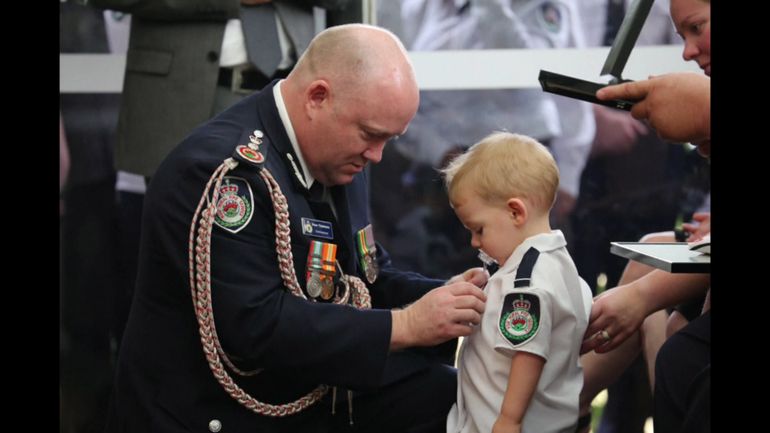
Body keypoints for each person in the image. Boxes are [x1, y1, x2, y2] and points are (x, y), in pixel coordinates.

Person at [104, 24, 489, 433]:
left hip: (306, 386)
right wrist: (409, 325)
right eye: (372, 135)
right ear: (317, 97)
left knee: (457, 395)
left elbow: (363, 276)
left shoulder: (339, 153)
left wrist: (458, 300)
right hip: (215, 412)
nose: (377, 155)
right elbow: (257, 328)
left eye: (389, 139)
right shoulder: (226, 174)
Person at [441, 132, 592, 433]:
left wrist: (509, 420)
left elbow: (528, 353)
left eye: (478, 229)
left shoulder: (526, 281)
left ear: (515, 212)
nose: (474, 242)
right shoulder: (559, 262)